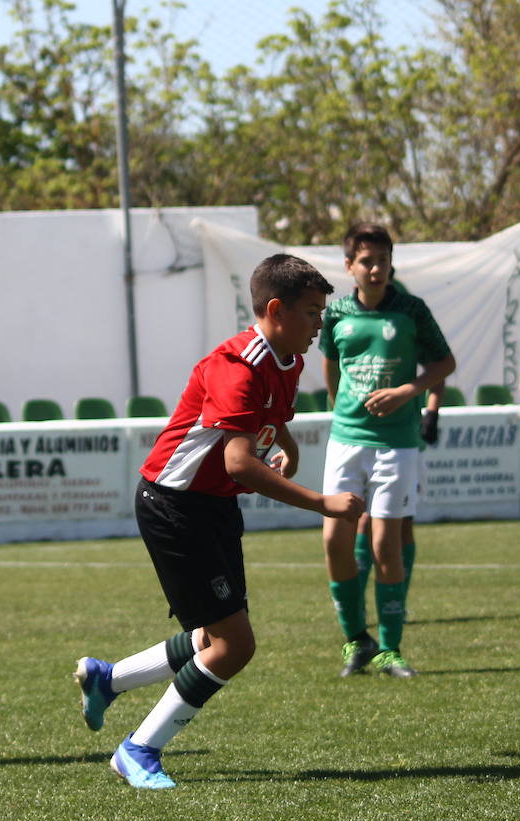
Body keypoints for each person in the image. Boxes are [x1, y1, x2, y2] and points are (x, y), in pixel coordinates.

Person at [72, 254, 363, 789]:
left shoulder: (287, 358)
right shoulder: (239, 367)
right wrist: (322, 503)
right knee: (234, 645)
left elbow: (269, 418)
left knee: (213, 635)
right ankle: (137, 750)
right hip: (174, 505)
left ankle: (107, 679)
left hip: (211, 505)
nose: (321, 323)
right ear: (275, 310)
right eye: (313, 312)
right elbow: (238, 462)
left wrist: (287, 444)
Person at [316, 222, 455, 679]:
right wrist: (340, 409)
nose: (376, 269)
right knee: (334, 539)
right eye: (366, 261)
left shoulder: (411, 309)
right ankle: (356, 640)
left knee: (385, 546)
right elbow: (331, 366)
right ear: (349, 266)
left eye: (383, 260)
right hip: (346, 439)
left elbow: (444, 362)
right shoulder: (335, 313)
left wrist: (406, 392)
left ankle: (390, 648)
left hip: (397, 442)